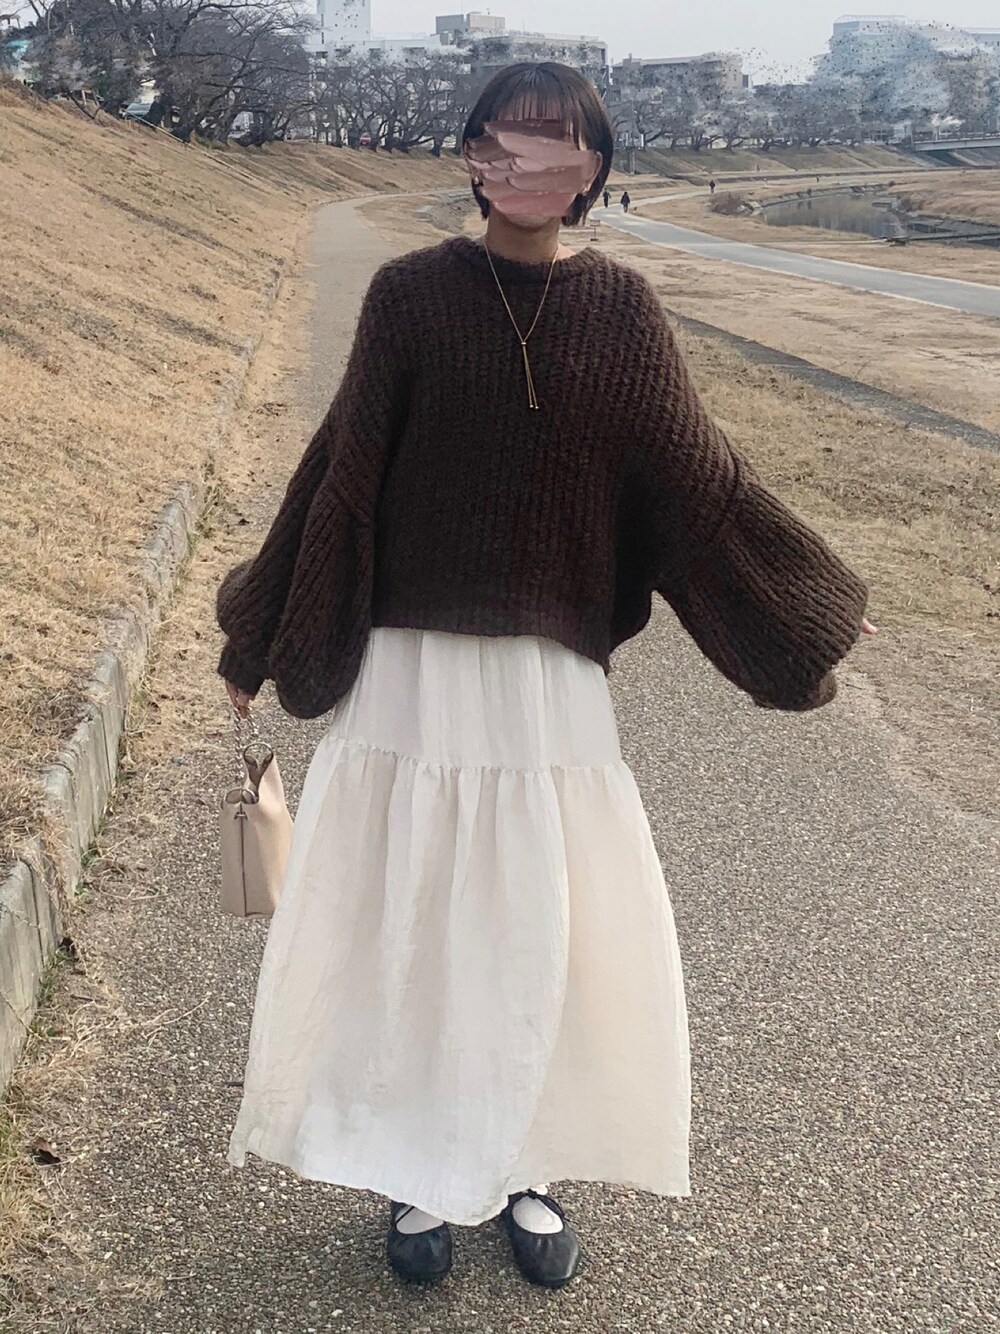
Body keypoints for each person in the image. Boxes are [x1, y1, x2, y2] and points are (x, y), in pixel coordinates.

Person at [218, 61, 874, 1293]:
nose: (527, 168)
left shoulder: (622, 312)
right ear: (471, 154)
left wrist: (805, 622)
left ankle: (524, 1160)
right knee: (414, 917)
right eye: (503, 142)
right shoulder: (410, 296)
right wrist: (255, 633)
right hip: (411, 671)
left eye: (557, 146)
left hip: (546, 685)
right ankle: (415, 1164)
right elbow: (339, 470)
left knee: (538, 926)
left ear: (594, 169)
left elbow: (697, 484)